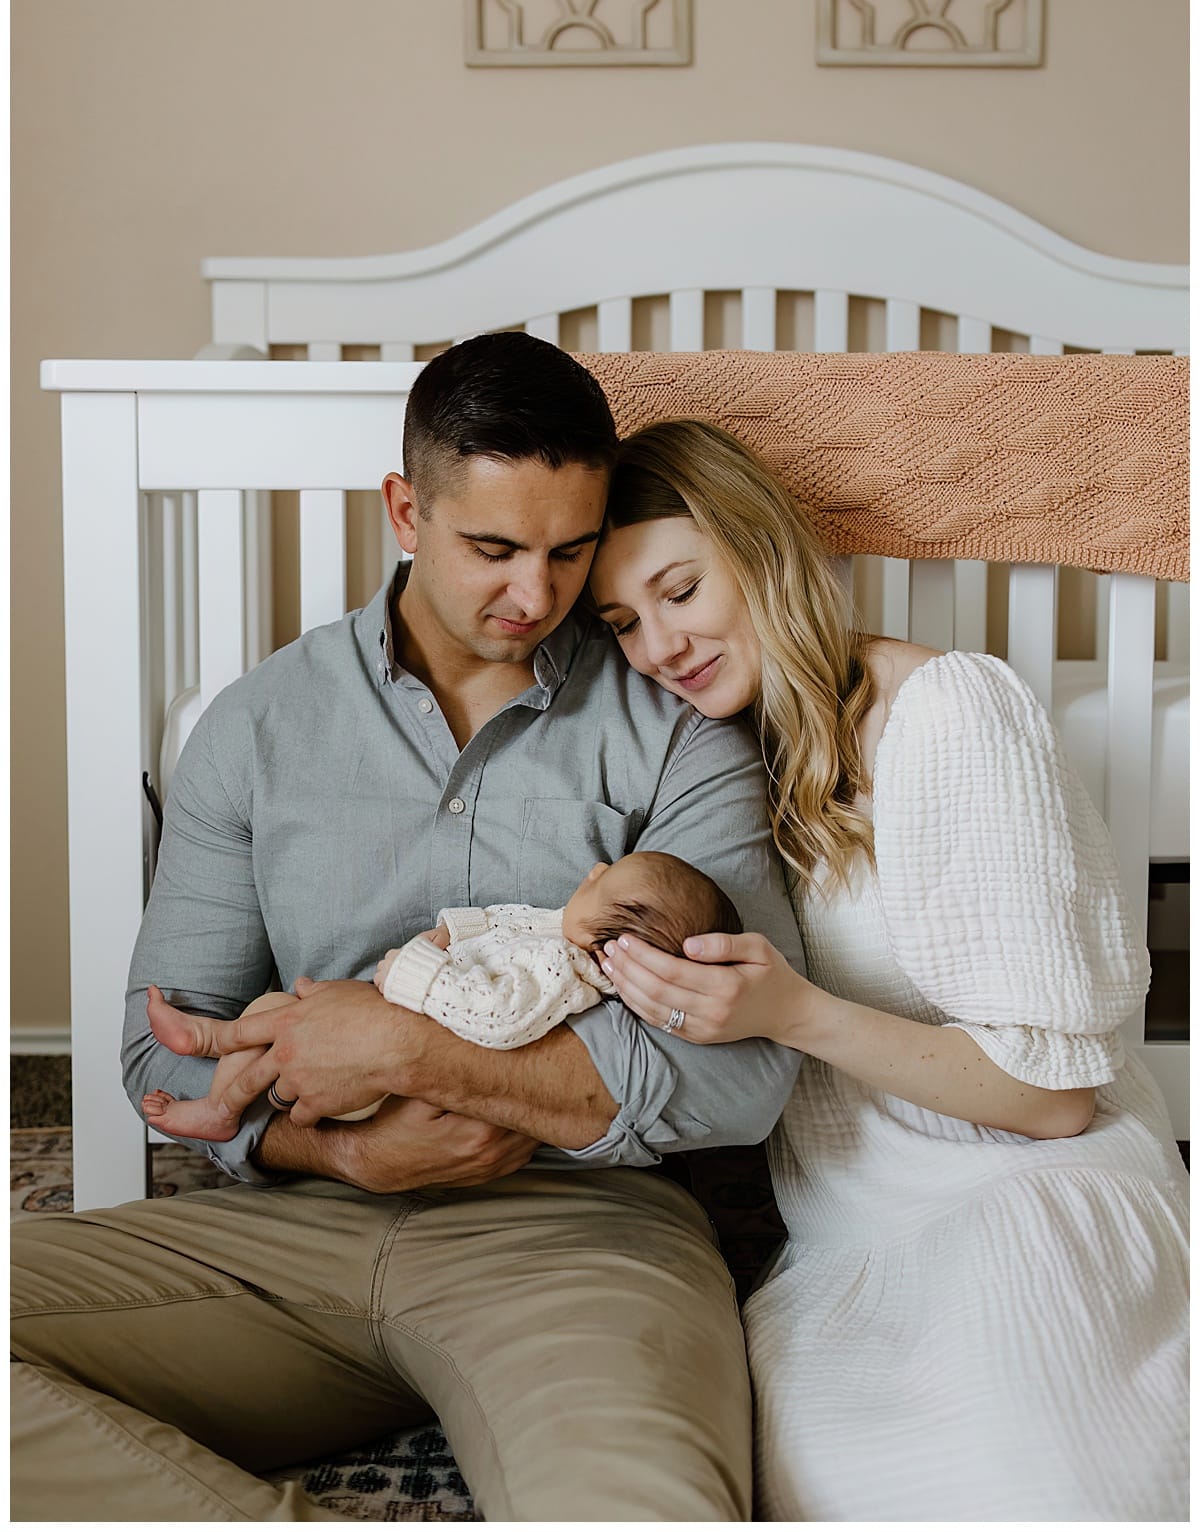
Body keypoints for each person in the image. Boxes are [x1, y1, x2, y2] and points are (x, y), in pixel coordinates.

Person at [10, 340, 805, 1524]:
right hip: (287, 1231)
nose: (535, 596)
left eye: (568, 549)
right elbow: (156, 1040)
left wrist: (413, 1053)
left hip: (582, 1231)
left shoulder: (678, 725)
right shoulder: (257, 723)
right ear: (406, 510)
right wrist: (334, 1153)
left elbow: (743, 1076)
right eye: (493, 549)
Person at [585, 417, 1190, 1523]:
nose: (660, 645)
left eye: (682, 589)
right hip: (846, 1246)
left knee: (1024, 1477)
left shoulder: (950, 712)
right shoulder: (709, 766)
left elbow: (1053, 1100)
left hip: (1027, 1198)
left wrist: (794, 1011)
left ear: (761, 552)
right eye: (623, 622)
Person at [139, 851, 741, 1140]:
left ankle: (219, 1103)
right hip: (379, 1023)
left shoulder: (563, 974)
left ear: (618, 942)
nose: (593, 870)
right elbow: (510, 921)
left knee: (278, 1018)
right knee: (280, 1014)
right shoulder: (565, 934)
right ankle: (210, 1038)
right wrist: (458, 929)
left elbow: (497, 1016)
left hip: (381, 1069)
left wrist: (415, 968)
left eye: (605, 881)